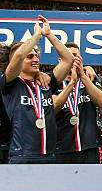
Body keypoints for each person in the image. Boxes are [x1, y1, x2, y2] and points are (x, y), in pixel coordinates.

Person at [0, 16, 74, 164]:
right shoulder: (10, 83)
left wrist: (49, 34)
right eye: (30, 56)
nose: (36, 59)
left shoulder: (45, 82)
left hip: (49, 155)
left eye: (36, 55)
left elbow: (68, 59)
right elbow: (19, 56)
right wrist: (36, 36)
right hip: (22, 156)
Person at [53, 43, 102, 163]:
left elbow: (101, 102)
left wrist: (82, 75)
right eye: (68, 55)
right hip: (61, 148)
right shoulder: (53, 80)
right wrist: (71, 83)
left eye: (75, 55)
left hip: (89, 147)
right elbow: (52, 109)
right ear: (60, 58)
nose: (72, 59)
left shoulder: (90, 77)